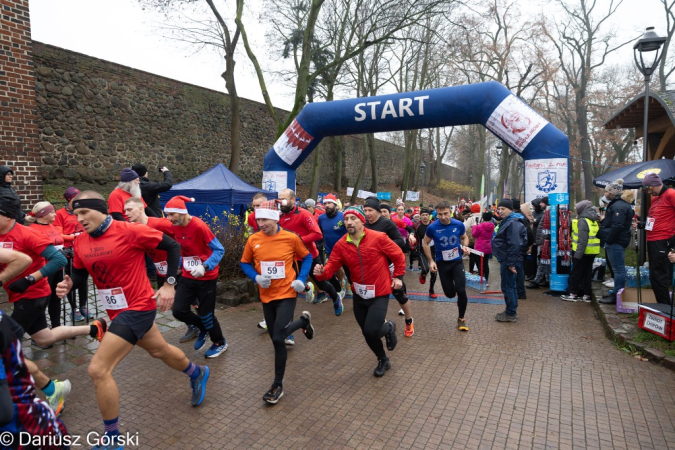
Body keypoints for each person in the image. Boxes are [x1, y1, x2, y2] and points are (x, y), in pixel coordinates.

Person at [56, 191, 210, 449]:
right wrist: (70, 284)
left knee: (98, 369)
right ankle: (197, 372)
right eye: (75, 214)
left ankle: (113, 438)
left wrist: (170, 284)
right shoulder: (81, 242)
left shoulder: (129, 230)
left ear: (101, 210)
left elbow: (172, 247)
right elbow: (81, 276)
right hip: (117, 310)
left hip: (139, 306)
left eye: (84, 212)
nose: (79, 218)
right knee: (159, 350)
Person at [0, 195, 104, 417]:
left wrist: (29, 279)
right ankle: (94, 328)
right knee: (43, 338)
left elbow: (59, 261)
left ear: (6, 215)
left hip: (33, 295)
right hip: (18, 297)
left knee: (6, 350)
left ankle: (42, 391)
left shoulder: (27, 234)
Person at [313, 206, 403, 377]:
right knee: (367, 333)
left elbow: (398, 254)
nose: (349, 222)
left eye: (353, 219)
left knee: (371, 330)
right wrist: (321, 273)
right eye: (346, 219)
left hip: (379, 292)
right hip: (359, 294)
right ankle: (383, 359)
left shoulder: (378, 238)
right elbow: (332, 266)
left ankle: (389, 327)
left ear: (362, 221)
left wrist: (398, 276)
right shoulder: (341, 244)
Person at [240, 200, 314, 404]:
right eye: (258, 219)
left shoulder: (290, 238)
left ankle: (277, 384)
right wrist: (255, 277)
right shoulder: (253, 239)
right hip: (266, 295)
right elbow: (244, 263)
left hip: (287, 292)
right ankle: (303, 323)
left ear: (275, 218)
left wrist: (301, 279)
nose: (260, 222)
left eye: (264, 219)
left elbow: (306, 258)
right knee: (276, 336)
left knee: (278, 337)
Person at [164, 195, 228, 357]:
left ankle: (220, 342)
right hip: (188, 276)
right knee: (178, 311)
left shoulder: (199, 226)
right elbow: (183, 249)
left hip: (206, 277)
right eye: (167, 214)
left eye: (171, 214)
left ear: (182, 212)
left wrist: (205, 266)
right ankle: (204, 328)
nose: (168, 218)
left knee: (206, 314)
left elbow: (219, 249)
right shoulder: (175, 227)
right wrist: (178, 264)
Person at [278, 189, 344, 317]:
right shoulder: (280, 217)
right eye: (280, 200)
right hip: (291, 257)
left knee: (322, 283)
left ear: (293, 200)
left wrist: (298, 241)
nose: (281, 202)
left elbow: (317, 234)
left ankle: (336, 298)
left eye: (284, 199)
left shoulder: (304, 214)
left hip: (310, 256)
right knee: (288, 282)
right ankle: (306, 289)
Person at [363, 198, 416, 337]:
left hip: (391, 264)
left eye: (370, 210)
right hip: (374, 267)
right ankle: (381, 322)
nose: (367, 213)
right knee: (375, 295)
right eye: (365, 210)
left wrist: (381, 245)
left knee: (399, 294)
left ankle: (409, 320)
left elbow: (399, 241)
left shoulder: (387, 223)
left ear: (378, 211)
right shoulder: (363, 224)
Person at [28, 201, 78, 335]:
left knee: (56, 297)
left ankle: (56, 328)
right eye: (51, 212)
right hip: (44, 268)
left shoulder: (52, 227)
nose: (54, 214)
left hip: (58, 268)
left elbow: (58, 242)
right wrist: (58, 254)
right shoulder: (33, 229)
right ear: (42, 214)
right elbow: (36, 251)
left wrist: (67, 251)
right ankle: (38, 333)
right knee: (43, 300)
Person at [422, 200, 471, 331]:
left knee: (461, 290)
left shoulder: (458, 224)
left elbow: (465, 237)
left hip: (457, 262)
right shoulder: (432, 227)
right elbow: (425, 243)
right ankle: (452, 288)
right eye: (440, 214)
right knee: (450, 294)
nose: (443, 217)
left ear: (451, 212)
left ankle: (461, 319)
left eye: (445, 213)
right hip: (442, 264)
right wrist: (431, 261)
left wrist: (465, 247)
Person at [54, 186, 91, 322]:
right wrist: (75, 237)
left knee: (83, 280)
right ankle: (74, 309)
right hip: (69, 251)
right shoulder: (60, 214)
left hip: (83, 250)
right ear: (69, 200)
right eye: (76, 199)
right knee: (71, 280)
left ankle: (83, 306)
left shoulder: (82, 212)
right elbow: (59, 235)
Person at [640, 172, 675, 305]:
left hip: (664, 239)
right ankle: (662, 306)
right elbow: (655, 218)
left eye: (647, 189)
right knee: (654, 276)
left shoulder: (671, 194)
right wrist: (642, 224)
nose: (648, 193)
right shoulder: (656, 198)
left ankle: (665, 308)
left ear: (654, 185)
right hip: (653, 239)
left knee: (658, 276)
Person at [597, 179, 634, 305]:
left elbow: (617, 225)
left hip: (616, 241)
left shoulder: (618, 206)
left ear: (611, 192)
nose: (605, 193)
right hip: (616, 240)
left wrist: (609, 239)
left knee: (618, 269)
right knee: (617, 268)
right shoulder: (618, 204)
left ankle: (617, 295)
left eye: (606, 191)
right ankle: (615, 292)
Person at [492, 199, 527, 322]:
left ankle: (511, 312)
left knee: (508, 286)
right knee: (508, 285)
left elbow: (515, 244)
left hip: (509, 260)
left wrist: (511, 263)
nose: (500, 211)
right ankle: (510, 309)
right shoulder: (509, 221)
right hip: (508, 258)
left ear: (510, 209)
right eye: (499, 209)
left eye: (503, 209)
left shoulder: (512, 223)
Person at [561, 200, 600, 302]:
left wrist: (577, 255)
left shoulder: (583, 220)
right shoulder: (593, 219)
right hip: (592, 251)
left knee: (576, 273)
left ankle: (573, 294)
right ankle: (586, 295)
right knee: (587, 273)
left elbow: (583, 239)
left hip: (582, 251)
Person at [527, 197, 551, 289]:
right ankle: (545, 279)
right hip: (542, 242)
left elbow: (543, 230)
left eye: (542, 202)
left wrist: (542, 242)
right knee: (543, 261)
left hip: (544, 243)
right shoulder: (546, 213)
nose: (540, 204)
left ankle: (538, 280)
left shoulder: (546, 214)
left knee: (542, 261)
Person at [415, 207, 438, 298]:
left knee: (434, 272)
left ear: (429, 216)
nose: (425, 217)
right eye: (423, 215)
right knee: (425, 269)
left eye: (426, 215)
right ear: (420, 216)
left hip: (434, 251)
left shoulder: (434, 225)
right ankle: (423, 274)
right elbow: (415, 237)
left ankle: (431, 289)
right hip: (422, 251)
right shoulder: (418, 227)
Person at [471, 211, 495, 285]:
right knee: (485, 263)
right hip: (487, 246)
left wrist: (474, 226)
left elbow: (474, 235)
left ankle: (481, 279)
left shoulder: (479, 226)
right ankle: (486, 280)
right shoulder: (492, 226)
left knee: (479, 264)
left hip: (479, 247)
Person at [464, 203, 483, 274]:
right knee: (479, 257)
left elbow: (464, 227)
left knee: (471, 256)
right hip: (481, 241)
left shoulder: (471, 218)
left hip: (472, 240)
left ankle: (471, 270)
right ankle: (481, 272)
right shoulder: (483, 218)